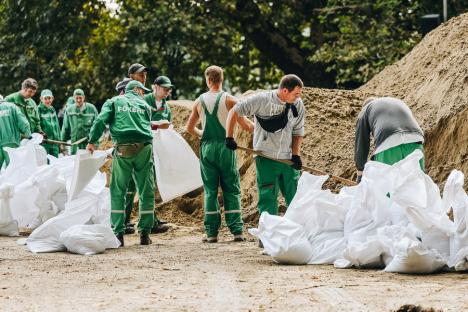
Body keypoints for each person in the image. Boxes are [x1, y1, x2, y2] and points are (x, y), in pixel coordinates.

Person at [225, 74, 305, 247]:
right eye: (296, 94)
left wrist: (296, 155)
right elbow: (234, 111)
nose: (298, 97)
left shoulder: (297, 105)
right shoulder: (262, 100)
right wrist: (229, 137)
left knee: (295, 196)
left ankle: (298, 234)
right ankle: (268, 236)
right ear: (284, 90)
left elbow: (298, 131)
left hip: (287, 160)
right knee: (268, 197)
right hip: (265, 157)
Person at [186, 65, 254, 243]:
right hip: (226, 147)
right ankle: (237, 231)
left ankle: (211, 233)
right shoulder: (230, 100)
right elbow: (248, 126)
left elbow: (189, 128)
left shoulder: (199, 101)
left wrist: (203, 134)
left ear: (208, 80)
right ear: (221, 80)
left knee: (210, 191)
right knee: (231, 189)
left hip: (207, 148)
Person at [87, 80, 155, 246]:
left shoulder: (114, 102)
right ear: (137, 90)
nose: (143, 94)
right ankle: (145, 234)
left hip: (123, 149)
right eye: (142, 90)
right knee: (146, 191)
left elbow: (100, 121)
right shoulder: (145, 105)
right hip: (144, 148)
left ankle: (118, 234)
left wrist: (92, 142)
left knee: (118, 191)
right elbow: (147, 125)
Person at [123, 65, 169, 235]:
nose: (144, 76)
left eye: (145, 74)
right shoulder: (126, 92)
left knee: (145, 187)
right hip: (131, 144)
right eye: (140, 74)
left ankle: (149, 221)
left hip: (142, 145)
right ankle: (126, 222)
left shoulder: (142, 95)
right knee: (130, 187)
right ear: (131, 76)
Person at [354, 97, 425, 182]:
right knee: (417, 185)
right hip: (416, 139)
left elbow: (361, 143)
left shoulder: (366, 109)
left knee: (386, 190)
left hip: (389, 143)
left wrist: (360, 173)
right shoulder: (396, 102)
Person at [61, 88, 98, 155]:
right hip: (75, 144)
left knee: (88, 163)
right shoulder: (69, 110)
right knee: (76, 163)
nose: (78, 100)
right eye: (76, 98)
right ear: (73, 98)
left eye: (80, 98)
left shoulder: (91, 109)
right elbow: (65, 128)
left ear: (84, 97)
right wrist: (62, 142)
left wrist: (96, 143)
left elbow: (97, 126)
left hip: (88, 144)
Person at [0, 94, 31, 169]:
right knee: (13, 169)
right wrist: (28, 135)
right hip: (12, 142)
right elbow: (24, 123)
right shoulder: (12, 107)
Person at [38, 89, 61, 157]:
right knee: (46, 165)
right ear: (41, 99)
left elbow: (57, 126)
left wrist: (59, 139)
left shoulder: (52, 109)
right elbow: (36, 126)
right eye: (45, 98)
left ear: (52, 98)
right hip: (45, 144)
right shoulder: (38, 110)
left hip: (55, 143)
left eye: (49, 98)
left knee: (56, 164)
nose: (48, 101)